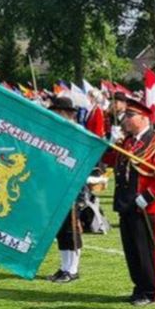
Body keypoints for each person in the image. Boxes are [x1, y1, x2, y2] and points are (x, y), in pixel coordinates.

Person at [102, 96, 155, 306]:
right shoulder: (127, 141)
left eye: (130, 116)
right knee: (131, 249)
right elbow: (110, 160)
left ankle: (150, 290)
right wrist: (109, 142)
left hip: (144, 204)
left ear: (143, 118)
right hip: (125, 200)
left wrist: (148, 196)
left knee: (145, 250)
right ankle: (138, 286)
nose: (125, 119)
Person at [47, 96, 106, 282]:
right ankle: (64, 266)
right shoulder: (58, 132)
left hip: (73, 188)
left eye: (56, 111)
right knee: (61, 231)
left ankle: (72, 269)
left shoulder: (78, 134)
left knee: (72, 230)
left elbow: (88, 162)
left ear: (65, 113)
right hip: (57, 186)